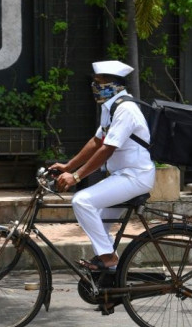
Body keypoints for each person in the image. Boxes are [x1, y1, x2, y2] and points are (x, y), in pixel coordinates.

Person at [52, 60, 155, 271]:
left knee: (81, 201)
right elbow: (97, 141)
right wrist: (67, 167)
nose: (94, 87)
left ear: (112, 84)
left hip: (134, 177)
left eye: (98, 82)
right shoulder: (111, 108)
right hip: (122, 177)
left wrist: (77, 177)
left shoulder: (125, 109)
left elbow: (107, 148)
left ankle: (108, 259)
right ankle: (113, 282)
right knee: (100, 224)